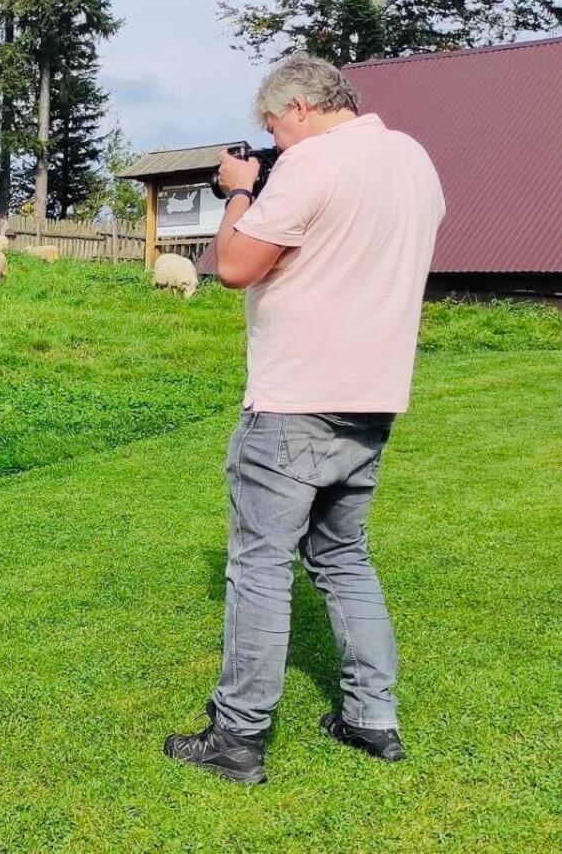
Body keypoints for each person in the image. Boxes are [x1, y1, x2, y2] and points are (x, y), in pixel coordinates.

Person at [164, 54, 445, 784]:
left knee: (260, 565)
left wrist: (238, 193)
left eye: (272, 126)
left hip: (295, 399)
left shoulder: (310, 165)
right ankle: (371, 716)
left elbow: (233, 265)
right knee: (342, 557)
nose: (274, 140)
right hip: (374, 394)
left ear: (297, 107)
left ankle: (238, 737)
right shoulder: (413, 160)